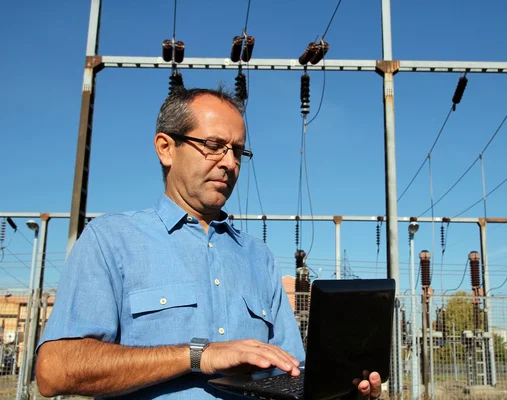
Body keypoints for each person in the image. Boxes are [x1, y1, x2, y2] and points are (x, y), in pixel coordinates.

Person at [35, 87, 382, 399]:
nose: (229, 163)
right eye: (214, 146)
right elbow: (55, 370)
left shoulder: (257, 257)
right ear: (166, 148)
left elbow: (290, 371)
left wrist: (338, 389)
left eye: (238, 152)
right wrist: (201, 354)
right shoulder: (111, 240)